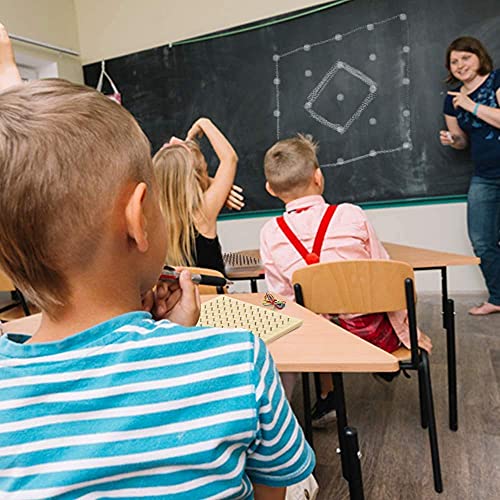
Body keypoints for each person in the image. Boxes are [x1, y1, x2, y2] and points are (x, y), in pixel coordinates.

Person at [0, 77, 314, 498]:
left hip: (223, 304)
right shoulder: (238, 359)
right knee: (279, 305)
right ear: (137, 220)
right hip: (244, 303)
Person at [260, 134, 432, 426]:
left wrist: (265, 301)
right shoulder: (350, 215)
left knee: (307, 313)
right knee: (357, 301)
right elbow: (385, 271)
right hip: (373, 336)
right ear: (318, 177)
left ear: (270, 190)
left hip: (319, 344)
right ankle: (379, 363)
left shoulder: (270, 232)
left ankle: (328, 395)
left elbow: (280, 298)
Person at [440, 36, 500, 316]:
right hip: (485, 175)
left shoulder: (496, 80)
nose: (460, 65)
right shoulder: (452, 101)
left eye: (465, 57)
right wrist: (452, 140)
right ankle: (498, 297)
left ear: (478, 56)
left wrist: (471, 105)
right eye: (454, 61)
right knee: (482, 239)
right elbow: (463, 141)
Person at [153, 118, 243, 275]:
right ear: (196, 178)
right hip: (215, 298)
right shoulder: (203, 212)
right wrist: (204, 122)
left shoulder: (154, 220)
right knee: (272, 301)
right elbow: (229, 158)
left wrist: (214, 184)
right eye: (205, 171)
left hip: (175, 298)